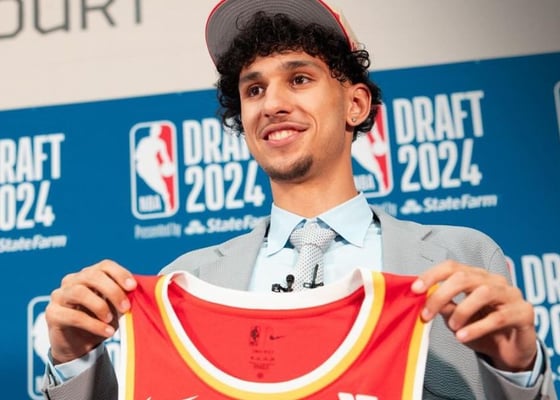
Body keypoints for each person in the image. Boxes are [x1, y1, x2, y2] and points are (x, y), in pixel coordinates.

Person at [42, 0, 556, 399]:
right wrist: (73, 359)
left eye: (300, 79)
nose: (273, 104)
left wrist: (517, 370)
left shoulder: (463, 258)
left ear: (356, 104)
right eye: (254, 90)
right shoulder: (185, 282)